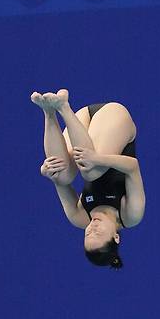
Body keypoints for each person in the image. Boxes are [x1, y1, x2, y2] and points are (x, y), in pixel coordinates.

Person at [31, 89, 145, 268]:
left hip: (82, 122)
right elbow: (132, 167)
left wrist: (47, 171)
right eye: (98, 234)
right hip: (114, 117)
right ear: (116, 237)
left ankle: (50, 111)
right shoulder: (131, 215)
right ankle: (64, 107)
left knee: (62, 175)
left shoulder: (79, 217)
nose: (92, 228)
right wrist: (97, 159)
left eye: (87, 234)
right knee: (91, 171)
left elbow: (59, 181)